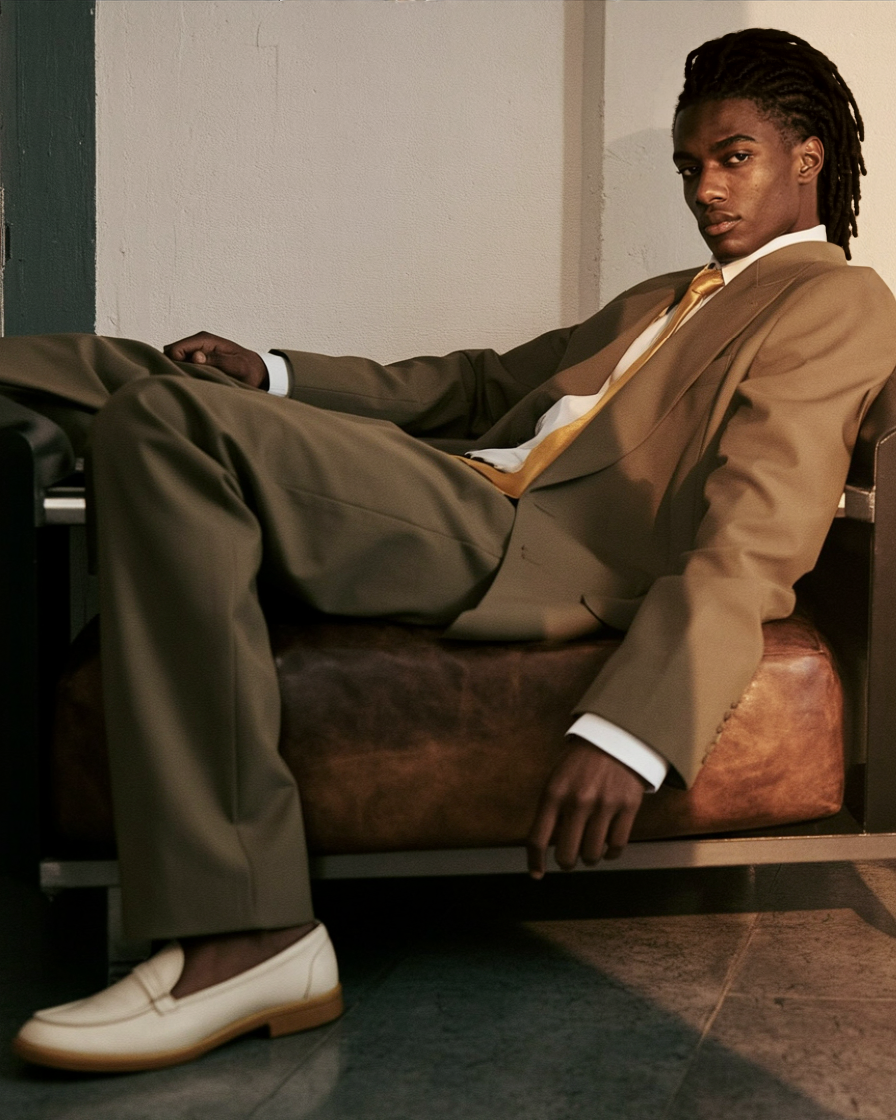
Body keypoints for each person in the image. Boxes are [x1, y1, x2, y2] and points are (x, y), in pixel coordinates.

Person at [9, 28, 896, 1073]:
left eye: (732, 157)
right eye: (687, 165)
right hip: (460, 482)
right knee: (123, 375)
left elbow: (755, 534)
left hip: (533, 545)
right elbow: (479, 386)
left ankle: (248, 931)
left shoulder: (836, 303)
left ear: (807, 158)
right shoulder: (667, 296)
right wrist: (278, 376)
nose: (703, 188)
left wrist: (628, 730)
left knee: (165, 423)